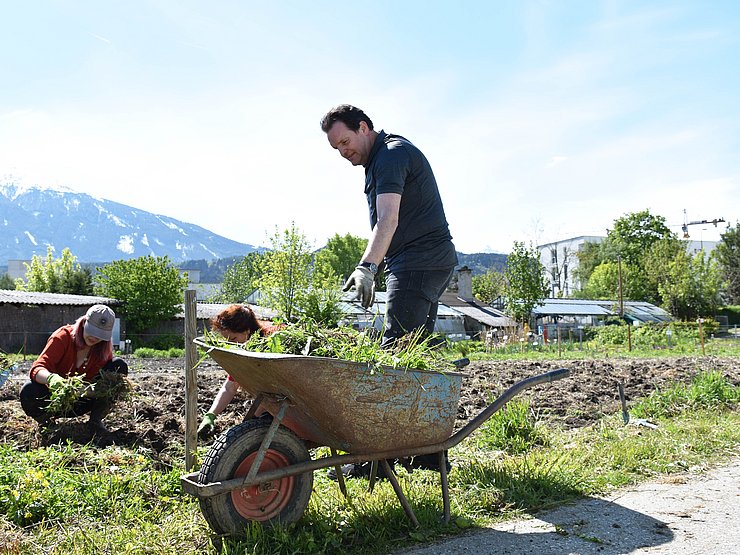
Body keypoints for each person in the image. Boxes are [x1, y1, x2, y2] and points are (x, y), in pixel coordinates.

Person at [320, 104, 457, 476]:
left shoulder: (391, 155)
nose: (343, 151)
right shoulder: (380, 159)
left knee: (393, 356)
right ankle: (426, 452)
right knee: (416, 356)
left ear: (364, 127)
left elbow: (389, 219)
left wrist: (366, 267)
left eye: (345, 141)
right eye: (336, 148)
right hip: (421, 260)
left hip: (420, 261)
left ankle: (375, 461)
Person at [20, 304, 129, 434]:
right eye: (92, 331)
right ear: (84, 323)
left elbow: (101, 382)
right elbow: (37, 368)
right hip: (55, 400)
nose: (95, 338)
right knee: (28, 390)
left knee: (118, 366)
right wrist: (52, 378)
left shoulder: (102, 349)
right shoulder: (62, 337)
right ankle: (46, 423)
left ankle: (95, 421)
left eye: (100, 335)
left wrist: (87, 391)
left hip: (83, 401)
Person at [197, 304, 282, 438]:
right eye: (226, 340)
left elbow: (274, 389)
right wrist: (210, 415)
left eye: (233, 339)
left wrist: (251, 420)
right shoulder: (244, 349)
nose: (230, 344)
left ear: (247, 331)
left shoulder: (271, 342)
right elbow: (230, 386)